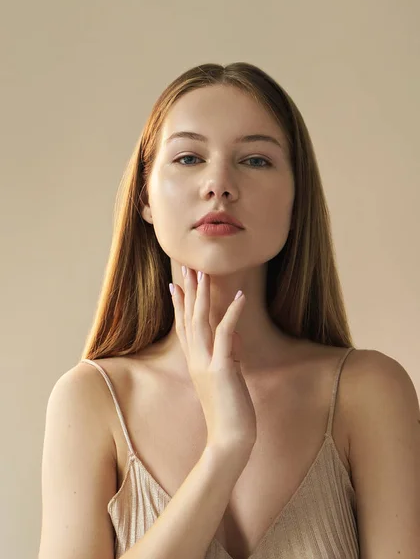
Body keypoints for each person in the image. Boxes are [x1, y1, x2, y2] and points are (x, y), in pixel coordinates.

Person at [38, 63, 420, 559]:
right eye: (190, 157)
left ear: (296, 199)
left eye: (256, 160)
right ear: (144, 199)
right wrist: (225, 448)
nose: (219, 184)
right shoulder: (91, 400)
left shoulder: (370, 391)